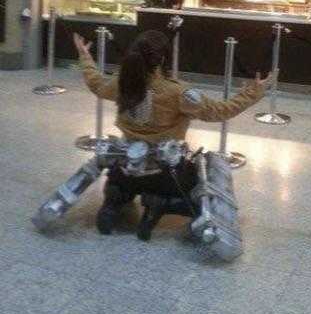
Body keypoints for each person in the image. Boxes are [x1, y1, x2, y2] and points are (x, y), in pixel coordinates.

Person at [73, 30, 273, 237]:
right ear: (163, 58)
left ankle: (113, 202)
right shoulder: (178, 93)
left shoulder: (122, 82)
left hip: (125, 169)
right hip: (167, 175)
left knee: (117, 184)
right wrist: (254, 91)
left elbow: (96, 83)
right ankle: (158, 204)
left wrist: (85, 56)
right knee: (198, 189)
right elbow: (220, 111)